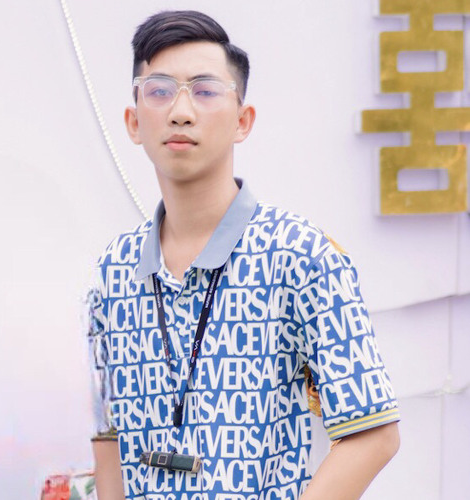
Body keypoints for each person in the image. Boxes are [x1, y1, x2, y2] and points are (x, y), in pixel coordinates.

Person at [86, 10, 400, 500]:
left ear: (242, 120)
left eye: (205, 91)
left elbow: (374, 434)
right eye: (159, 90)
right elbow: (109, 437)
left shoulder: (302, 256)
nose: (181, 111)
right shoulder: (113, 270)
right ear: (133, 121)